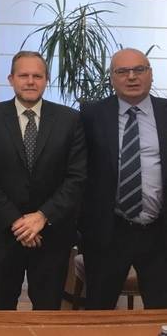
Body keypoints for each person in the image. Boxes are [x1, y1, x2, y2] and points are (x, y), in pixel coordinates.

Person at [0, 50, 86, 310]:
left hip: (52, 233)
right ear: (11, 79)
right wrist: (17, 222)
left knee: (48, 310)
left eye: (37, 75)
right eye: (23, 75)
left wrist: (42, 216)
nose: (30, 81)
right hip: (4, 233)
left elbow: (76, 177)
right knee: (2, 308)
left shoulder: (69, 120)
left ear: (47, 80)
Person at [80, 48, 167, 309]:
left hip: (159, 232)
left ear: (150, 74)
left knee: (161, 312)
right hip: (109, 232)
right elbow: (78, 173)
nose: (131, 77)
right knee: (100, 310)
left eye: (139, 70)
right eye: (122, 71)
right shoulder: (90, 115)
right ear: (112, 77)